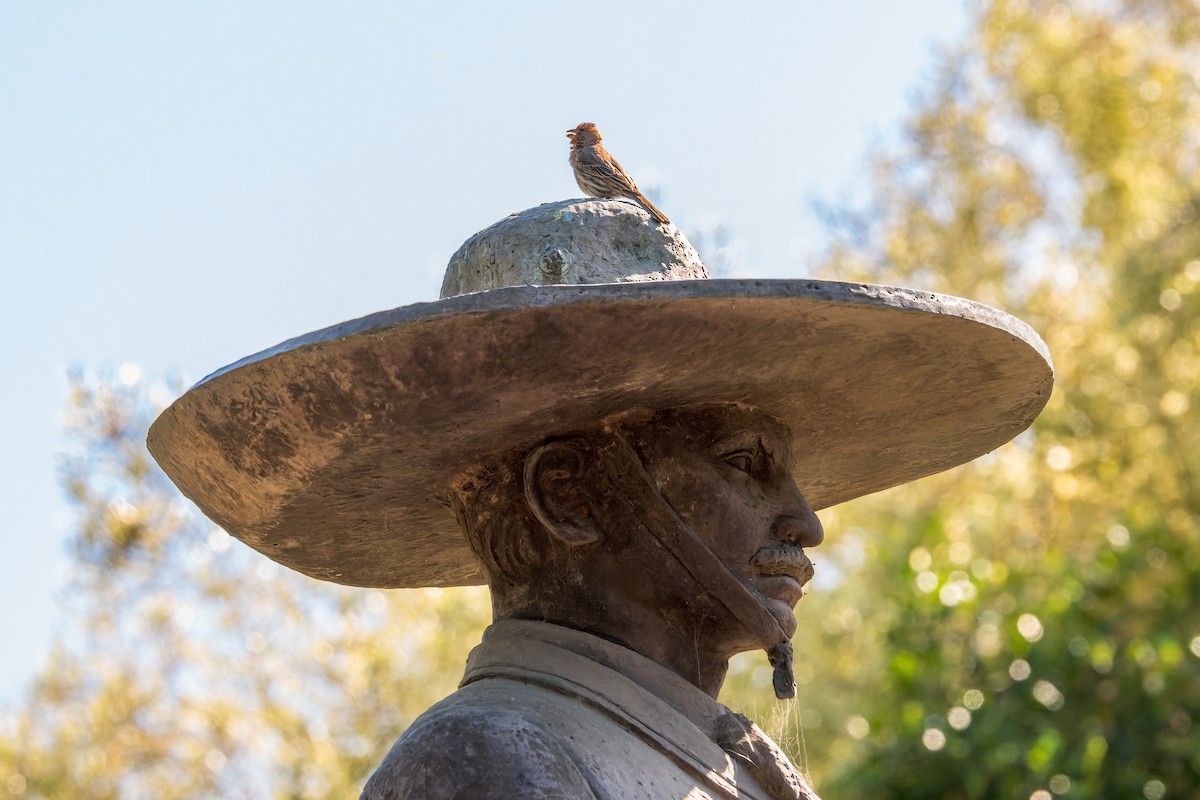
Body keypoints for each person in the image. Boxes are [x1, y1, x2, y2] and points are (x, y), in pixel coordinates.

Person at [147, 199, 1053, 800]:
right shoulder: (489, 764)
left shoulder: (724, 764)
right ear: (571, 495)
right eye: (745, 463)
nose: (807, 520)